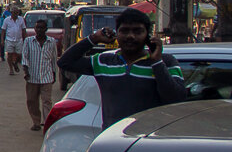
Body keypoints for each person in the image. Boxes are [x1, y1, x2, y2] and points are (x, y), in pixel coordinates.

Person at [57, 7, 186, 130]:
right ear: (117, 33)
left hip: (148, 143)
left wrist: (157, 63)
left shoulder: (166, 61)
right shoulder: (103, 62)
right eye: (124, 31)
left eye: (137, 31)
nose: (130, 36)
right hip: (113, 142)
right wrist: (94, 39)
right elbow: (65, 62)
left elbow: (176, 99)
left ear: (148, 36)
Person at [21, 19, 58, 131]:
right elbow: (25, 57)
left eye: (41, 28)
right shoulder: (28, 41)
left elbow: (53, 59)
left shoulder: (51, 42)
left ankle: (47, 123)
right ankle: (36, 122)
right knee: (32, 101)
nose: (39, 30)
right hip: (32, 77)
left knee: (47, 101)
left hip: (46, 77)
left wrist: (54, 73)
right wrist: (26, 72)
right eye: (37, 28)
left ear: (46, 29)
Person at [2, 6, 26, 74]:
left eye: (17, 12)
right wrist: (2, 40)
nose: (16, 14)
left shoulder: (21, 19)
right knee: (9, 54)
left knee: (20, 54)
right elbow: (3, 30)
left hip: (19, 40)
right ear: (11, 12)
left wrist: (26, 39)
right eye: (14, 12)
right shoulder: (6, 20)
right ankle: (11, 69)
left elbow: (24, 30)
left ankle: (15, 63)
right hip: (9, 40)